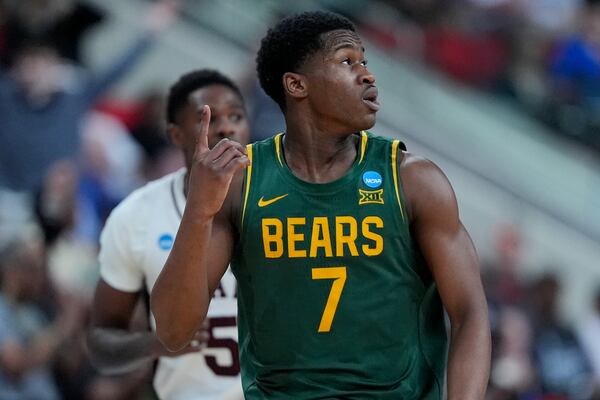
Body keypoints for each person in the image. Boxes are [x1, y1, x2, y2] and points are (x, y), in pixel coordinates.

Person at [151, 11, 491, 400]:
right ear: (297, 85)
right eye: (347, 61)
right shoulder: (239, 183)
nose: (367, 74)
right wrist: (198, 211)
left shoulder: (413, 181)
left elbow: (470, 313)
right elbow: (173, 332)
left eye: (365, 61)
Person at [87, 70, 250, 400]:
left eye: (236, 116)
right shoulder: (137, 214)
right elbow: (100, 343)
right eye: (207, 117)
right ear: (175, 135)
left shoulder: (287, 202)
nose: (226, 127)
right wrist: (155, 343)